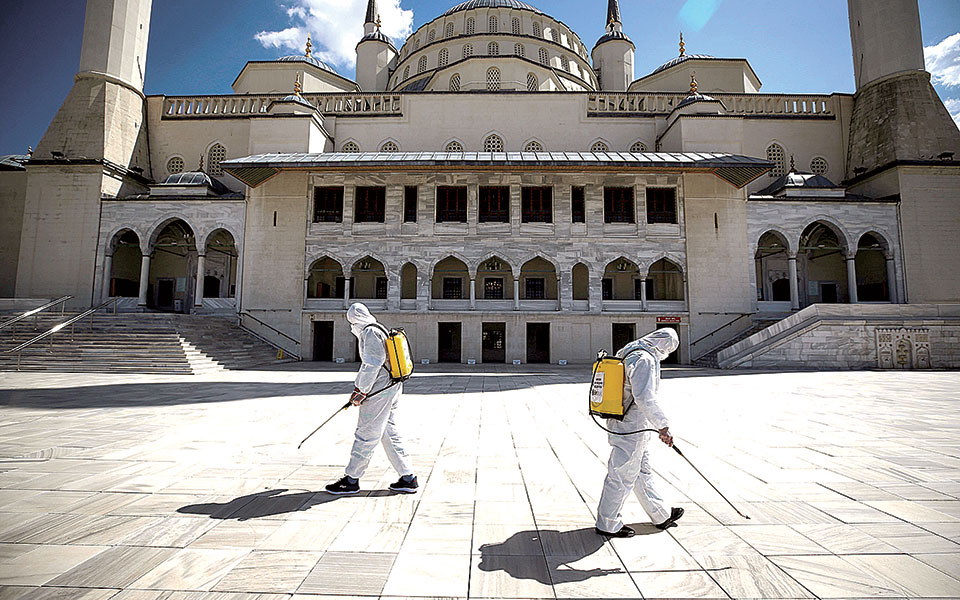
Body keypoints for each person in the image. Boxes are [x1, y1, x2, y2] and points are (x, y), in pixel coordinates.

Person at [595, 328, 684, 538]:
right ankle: (607, 522)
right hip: (632, 425)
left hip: (625, 421)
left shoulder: (629, 351)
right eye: (669, 349)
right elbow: (644, 397)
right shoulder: (644, 359)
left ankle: (660, 514)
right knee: (622, 473)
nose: (667, 353)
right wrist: (663, 426)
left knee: (640, 470)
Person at [325, 303, 418, 495]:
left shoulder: (370, 332)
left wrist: (360, 390)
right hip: (390, 387)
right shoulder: (378, 328)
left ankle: (351, 479)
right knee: (387, 432)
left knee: (366, 433)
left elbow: (372, 365)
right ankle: (407, 477)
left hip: (380, 390)